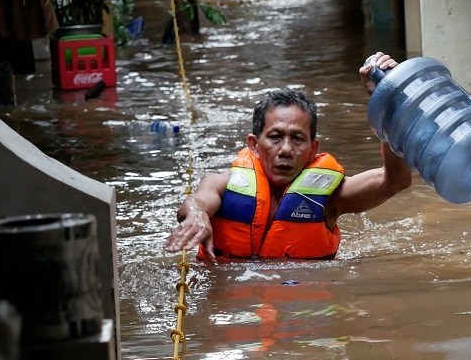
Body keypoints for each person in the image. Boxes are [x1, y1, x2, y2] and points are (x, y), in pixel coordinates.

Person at [165, 52, 413, 259]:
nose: (285, 149)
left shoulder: (328, 199)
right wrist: (197, 215)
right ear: (253, 145)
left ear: (313, 149)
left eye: (297, 138)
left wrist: (388, 102)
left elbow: (395, 180)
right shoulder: (222, 184)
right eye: (275, 137)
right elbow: (196, 202)